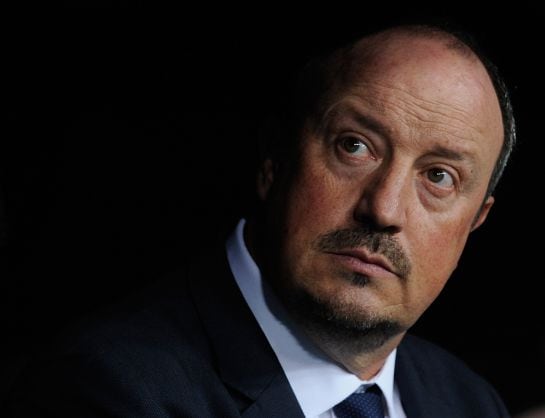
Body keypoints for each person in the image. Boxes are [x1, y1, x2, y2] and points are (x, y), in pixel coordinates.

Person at [7, 23, 514, 417]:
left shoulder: (470, 402)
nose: (383, 209)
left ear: (474, 221)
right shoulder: (109, 391)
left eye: (440, 177)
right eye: (354, 146)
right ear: (275, 159)